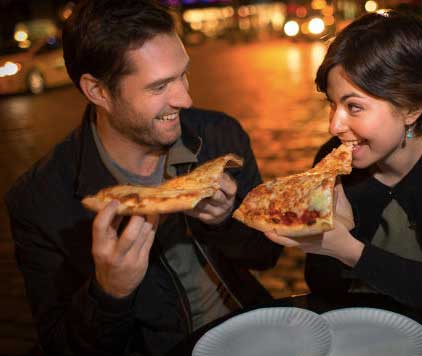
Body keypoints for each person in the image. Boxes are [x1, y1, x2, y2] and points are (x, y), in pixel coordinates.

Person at [4, 0, 281, 354]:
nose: (185, 98)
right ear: (98, 91)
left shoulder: (219, 135)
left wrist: (226, 221)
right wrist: (109, 293)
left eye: (184, 74)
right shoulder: (38, 199)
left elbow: (265, 256)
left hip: (247, 329)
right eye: (159, 86)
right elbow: (60, 345)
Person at [265, 11, 422, 329]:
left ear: (411, 107)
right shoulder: (332, 157)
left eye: (354, 106)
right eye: (332, 103)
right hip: (374, 329)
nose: (334, 125)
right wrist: (338, 227)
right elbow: (323, 287)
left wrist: (349, 249)